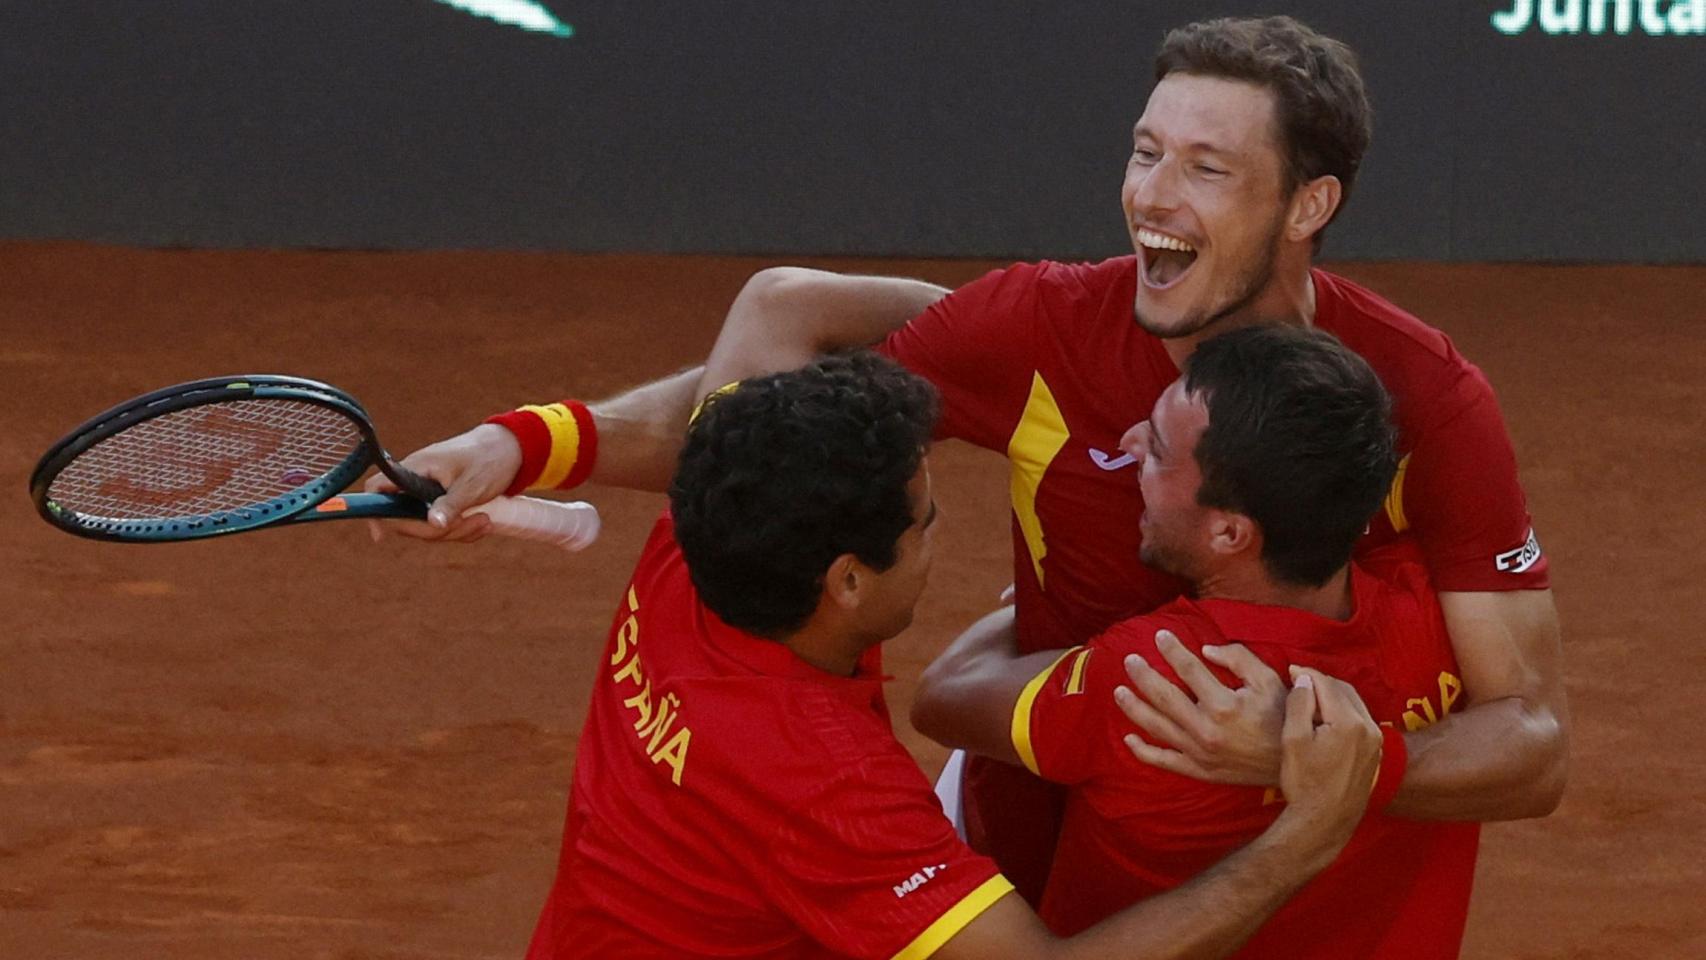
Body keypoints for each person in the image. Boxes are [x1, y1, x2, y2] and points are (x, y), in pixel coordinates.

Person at [378, 14, 1566, 902]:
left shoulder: (1424, 402)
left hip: (1310, 891)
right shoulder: (1046, 325)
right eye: (1143, 152)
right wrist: (525, 442)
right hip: (1029, 843)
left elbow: (1529, 737)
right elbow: (785, 422)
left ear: (1307, 206)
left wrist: (1323, 764)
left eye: (1205, 169)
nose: (1150, 198)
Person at [512, 351, 1382, 959]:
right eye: (923, 524)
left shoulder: (706, 539)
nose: (941, 531)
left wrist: (515, 442)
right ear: (848, 581)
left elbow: (778, 308)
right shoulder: (829, 786)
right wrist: (1305, 838)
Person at [912, 326, 1479, 959]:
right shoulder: (1438, 616)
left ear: (1230, 533)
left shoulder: (1160, 675)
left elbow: (943, 697)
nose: (1128, 444)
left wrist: (1045, 604)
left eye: (1156, 450)